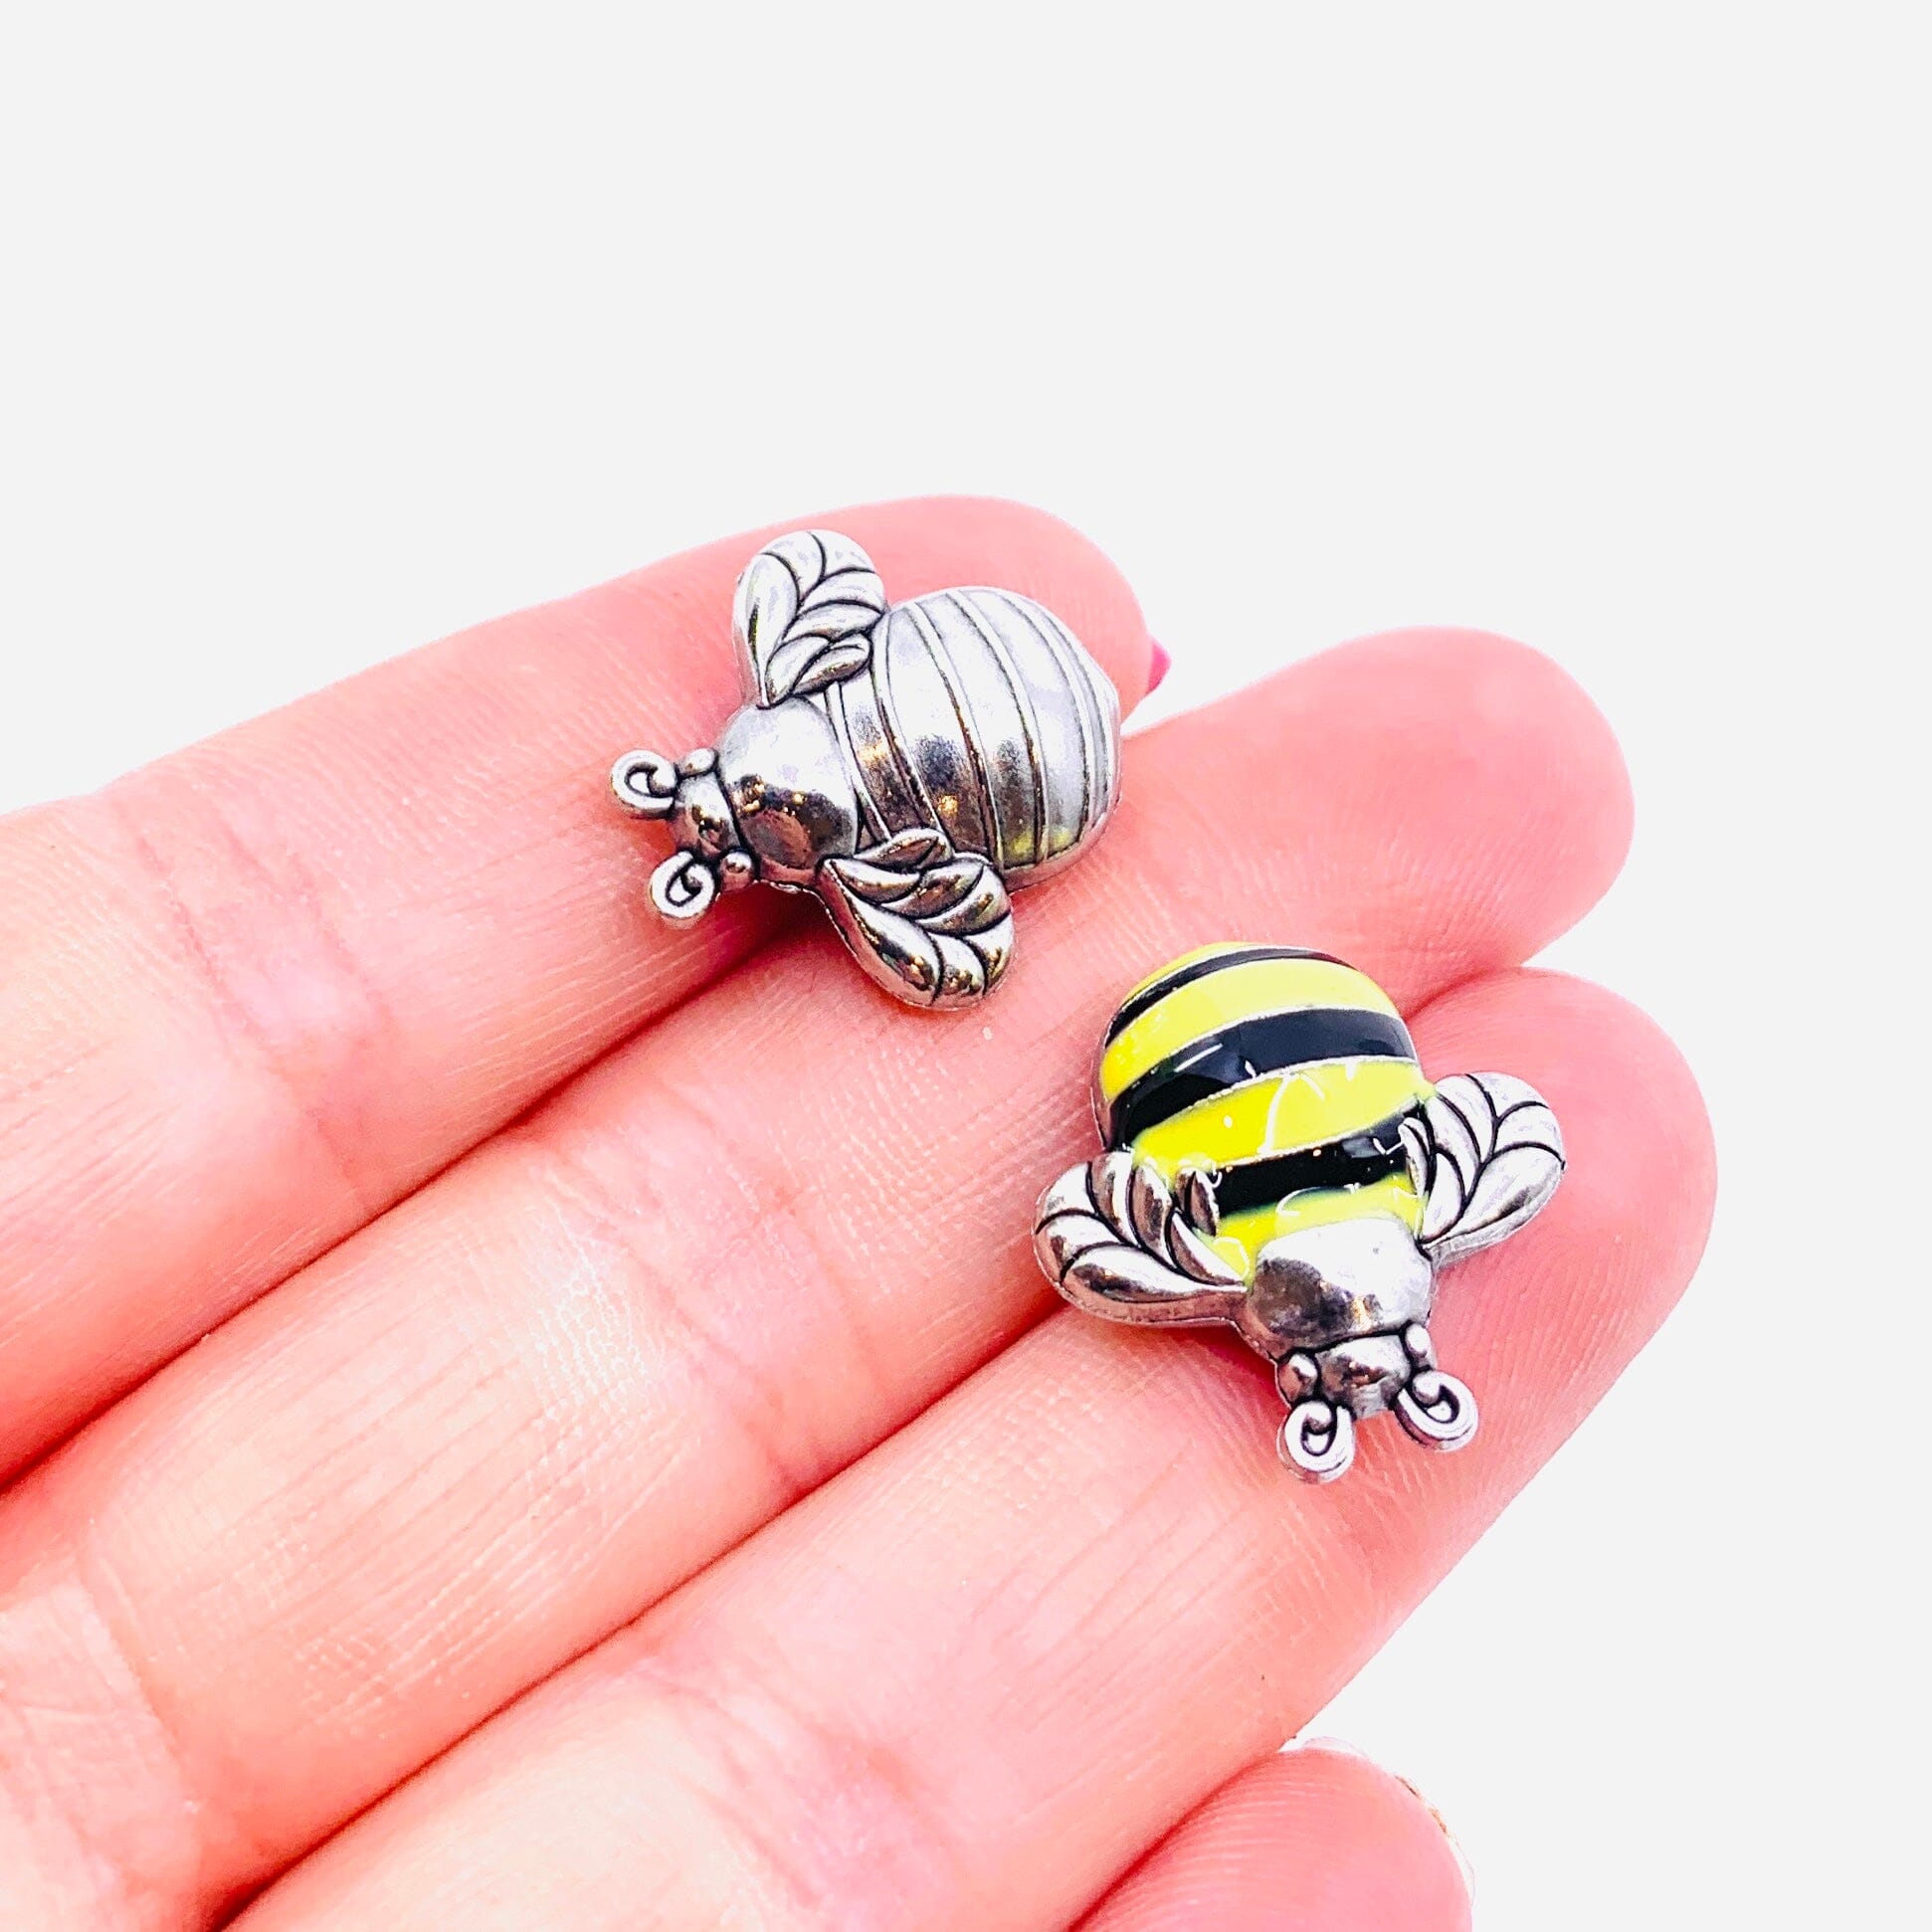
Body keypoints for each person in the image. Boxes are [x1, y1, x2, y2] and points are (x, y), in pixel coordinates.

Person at [0, 496, 1712, 1929]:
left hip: (1117, 909)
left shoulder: (1266, 1217)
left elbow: (1061, 1151)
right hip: (1108, 889)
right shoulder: (1299, 1201)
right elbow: (1003, 1021)